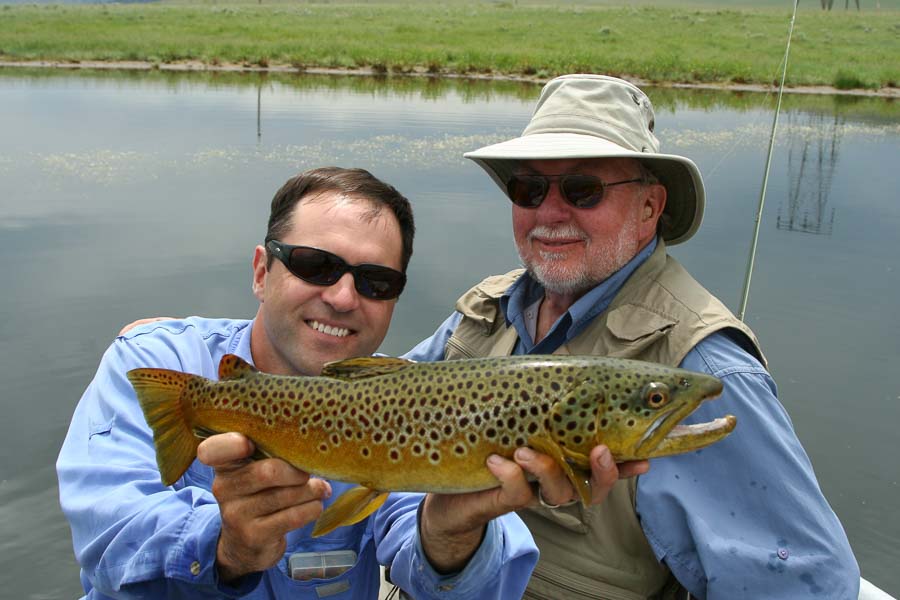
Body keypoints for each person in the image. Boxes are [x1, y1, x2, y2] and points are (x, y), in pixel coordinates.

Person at [57, 166, 635, 600]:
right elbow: (107, 533)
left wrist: (451, 532)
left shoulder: (401, 403)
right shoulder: (162, 362)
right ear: (262, 271)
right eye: (315, 265)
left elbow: (436, 564)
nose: (341, 296)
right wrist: (224, 545)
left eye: (376, 281)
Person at [404, 74, 861, 599]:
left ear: (650, 209)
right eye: (529, 188)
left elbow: (803, 587)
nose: (550, 211)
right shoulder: (488, 307)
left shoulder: (702, 369)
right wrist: (441, 530)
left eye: (583, 189)